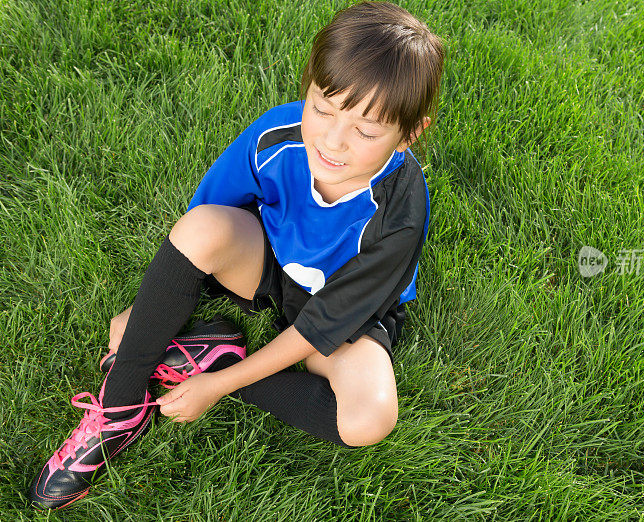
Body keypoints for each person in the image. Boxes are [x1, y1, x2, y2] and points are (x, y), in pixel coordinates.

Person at [28, 0, 445, 510]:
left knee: (369, 418)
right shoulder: (275, 136)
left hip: (349, 316)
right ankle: (118, 408)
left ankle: (210, 363)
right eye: (323, 107)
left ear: (409, 134)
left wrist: (219, 385)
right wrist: (148, 312)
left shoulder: (402, 210)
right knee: (203, 227)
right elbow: (202, 225)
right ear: (308, 88)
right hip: (270, 266)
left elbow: (321, 326)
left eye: (366, 129)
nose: (333, 141)